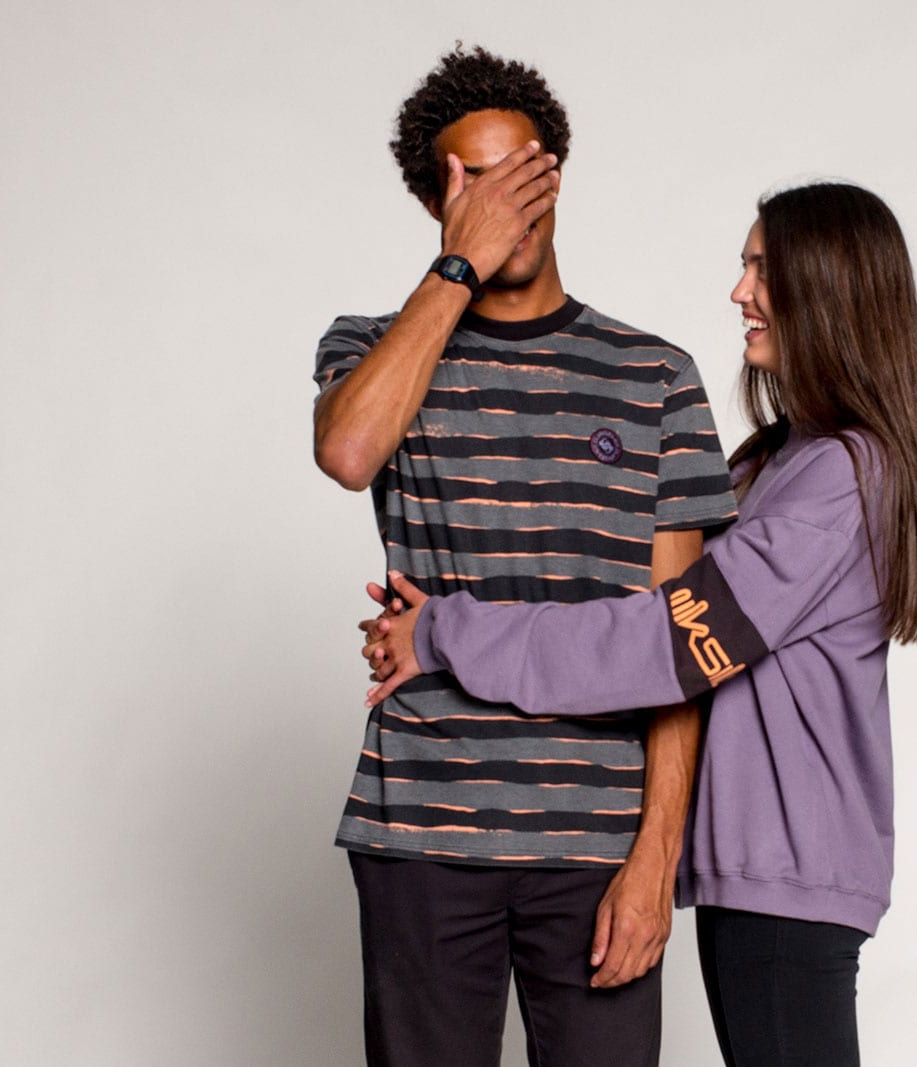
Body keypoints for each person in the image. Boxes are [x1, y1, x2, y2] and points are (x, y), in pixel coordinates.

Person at [360, 181, 917, 1067]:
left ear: (831, 292)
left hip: (787, 889)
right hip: (758, 880)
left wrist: (447, 630)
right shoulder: (775, 461)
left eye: (764, 268)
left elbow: (664, 644)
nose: (741, 291)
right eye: (745, 265)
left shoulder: (844, 477)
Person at [313, 46, 737, 1067]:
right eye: (471, 179)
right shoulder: (372, 345)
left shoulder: (654, 377)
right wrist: (455, 266)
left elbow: (682, 636)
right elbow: (347, 449)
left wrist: (653, 858)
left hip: (593, 844)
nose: (503, 200)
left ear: (553, 172)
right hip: (420, 829)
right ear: (436, 200)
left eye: (519, 172)